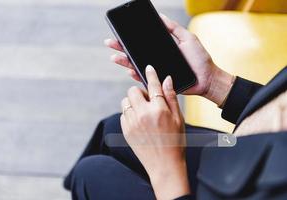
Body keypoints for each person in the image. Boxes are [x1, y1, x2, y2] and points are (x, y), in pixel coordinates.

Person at [64, 14, 287, 200]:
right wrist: (215, 83)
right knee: (115, 128)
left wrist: (166, 167)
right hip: (250, 148)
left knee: (92, 173)